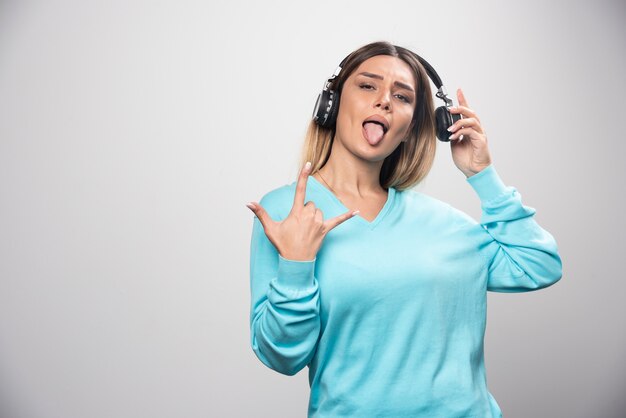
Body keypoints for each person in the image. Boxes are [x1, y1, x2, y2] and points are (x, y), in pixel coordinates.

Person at [245, 41, 562, 417]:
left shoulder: (445, 224)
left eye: (402, 96)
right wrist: (296, 266)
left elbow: (538, 264)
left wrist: (483, 175)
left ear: (412, 127)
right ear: (330, 105)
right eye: (367, 86)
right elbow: (280, 355)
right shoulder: (288, 210)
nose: (384, 101)